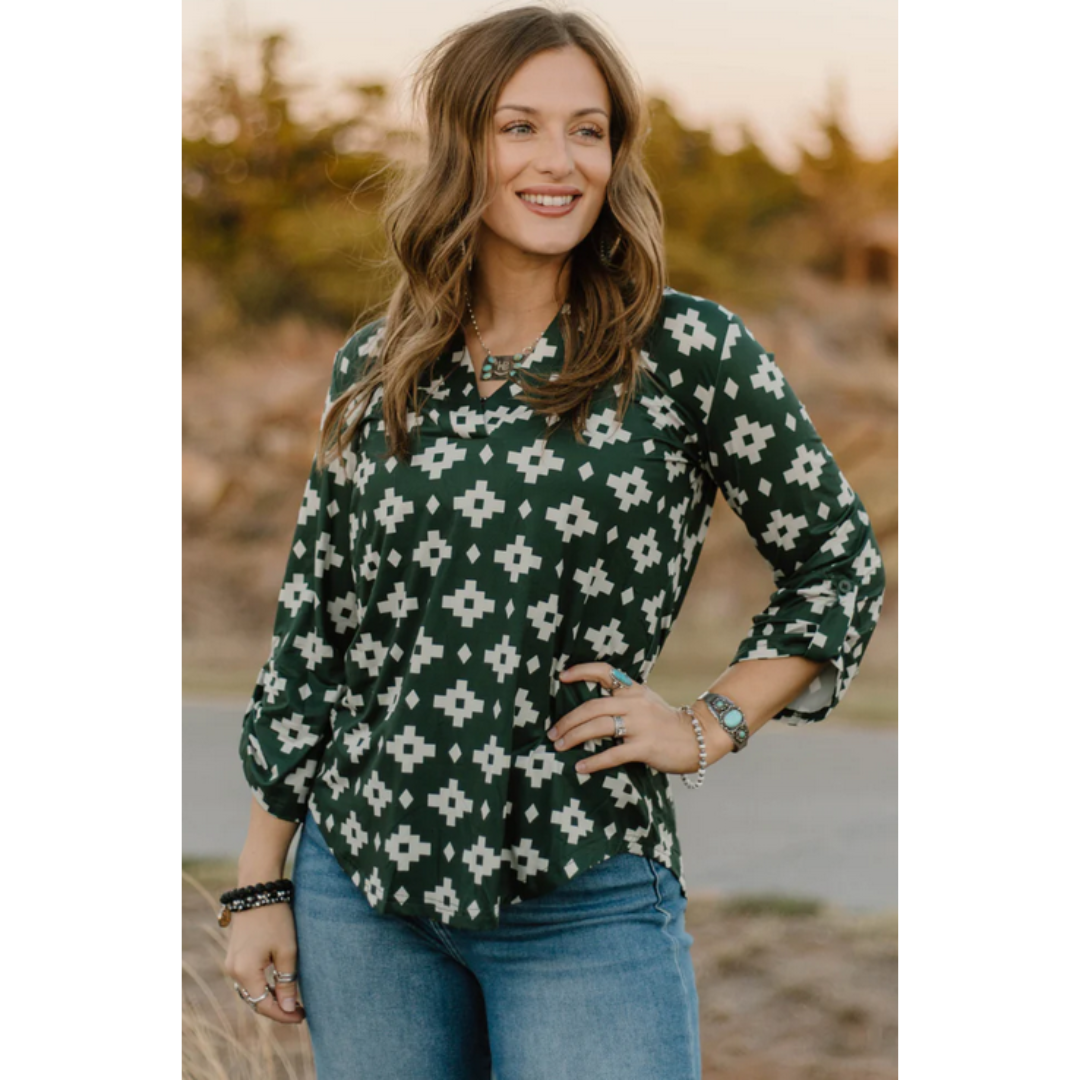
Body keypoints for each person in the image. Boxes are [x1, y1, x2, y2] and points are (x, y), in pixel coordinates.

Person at [222, 6, 886, 1078]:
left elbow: (838, 560)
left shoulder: (686, 351)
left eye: (589, 130)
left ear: (617, 154)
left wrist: (709, 724)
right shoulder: (379, 363)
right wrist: (262, 881)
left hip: (580, 888)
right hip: (364, 891)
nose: (559, 161)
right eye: (519, 127)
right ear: (459, 148)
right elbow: (315, 633)